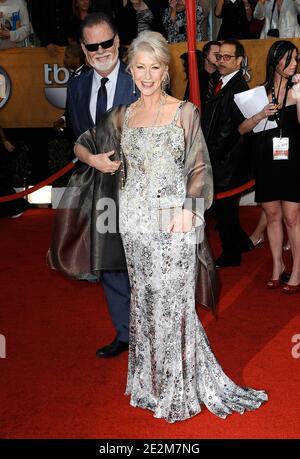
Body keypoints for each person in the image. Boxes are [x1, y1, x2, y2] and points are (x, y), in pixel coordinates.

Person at [73, 30, 267, 422]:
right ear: (131, 71)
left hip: (174, 223)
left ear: (165, 71)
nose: (147, 76)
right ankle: (149, 385)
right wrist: (96, 161)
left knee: (173, 306)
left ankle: (178, 389)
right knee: (144, 305)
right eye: (139, 68)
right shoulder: (124, 116)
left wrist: (191, 209)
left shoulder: (184, 112)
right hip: (134, 225)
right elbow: (82, 142)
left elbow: (199, 167)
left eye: (155, 68)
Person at [48, 13, 139, 358]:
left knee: (140, 261)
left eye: (106, 43)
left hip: (137, 186)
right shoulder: (77, 84)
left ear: (117, 42)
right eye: (93, 46)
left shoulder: (139, 78)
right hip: (98, 187)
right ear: (84, 50)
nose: (101, 51)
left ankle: (150, 332)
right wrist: (92, 161)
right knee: (110, 263)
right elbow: (77, 138)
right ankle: (125, 333)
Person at [239, 40, 300, 293]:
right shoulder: (258, 93)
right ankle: (277, 267)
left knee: (292, 218)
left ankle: (297, 269)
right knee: (273, 216)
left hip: (293, 160)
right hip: (266, 161)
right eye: (290, 59)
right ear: (276, 60)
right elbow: (242, 129)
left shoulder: (297, 91)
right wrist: (260, 114)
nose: (294, 64)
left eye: (297, 59)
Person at [202, 39, 254, 268]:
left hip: (228, 160)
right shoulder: (221, 82)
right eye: (219, 56)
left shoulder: (238, 88)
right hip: (221, 156)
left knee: (222, 208)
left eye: (226, 57)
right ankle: (241, 242)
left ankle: (232, 253)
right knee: (223, 208)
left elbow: (228, 131)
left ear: (239, 61)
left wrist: (208, 157)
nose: (220, 61)